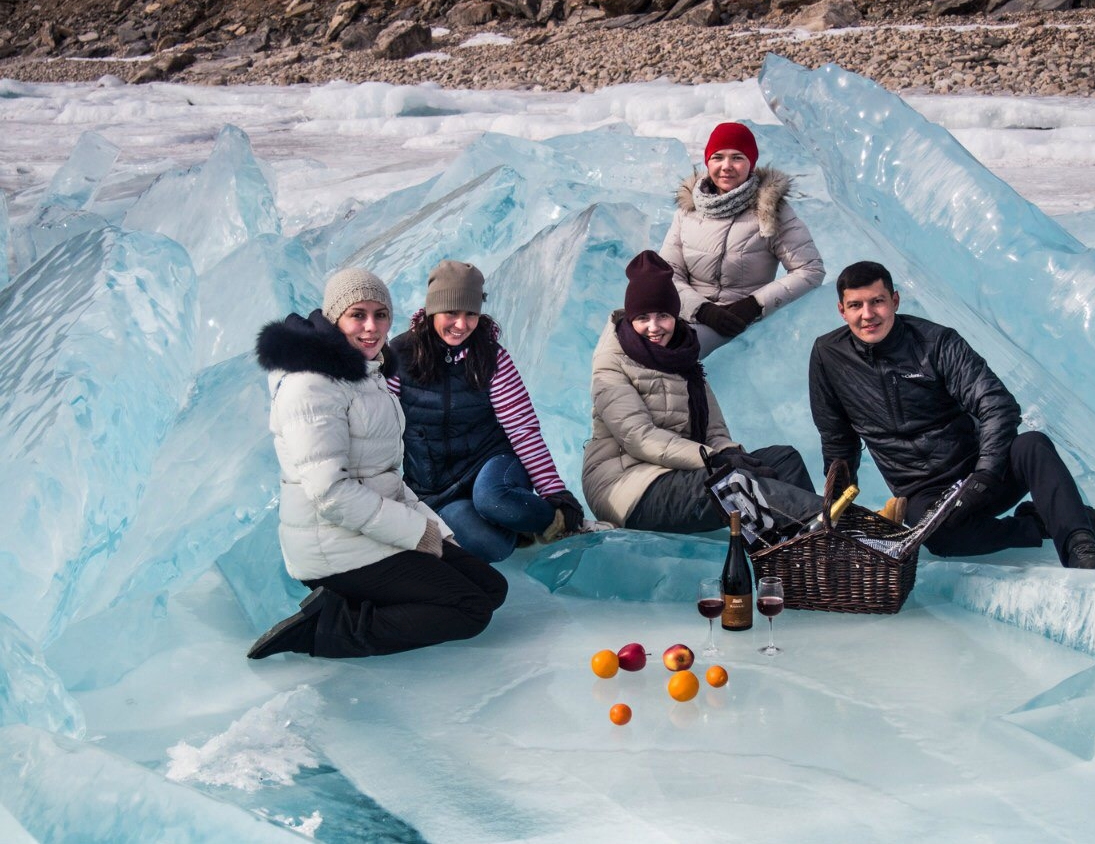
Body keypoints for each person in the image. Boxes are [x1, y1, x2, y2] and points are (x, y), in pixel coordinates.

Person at [248, 267, 508, 659]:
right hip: (333, 545)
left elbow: (385, 476)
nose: (371, 327)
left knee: (491, 589)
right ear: (336, 318)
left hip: (369, 530)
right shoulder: (311, 386)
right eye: (358, 314)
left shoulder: (366, 373)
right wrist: (415, 533)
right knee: (470, 609)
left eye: (380, 314)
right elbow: (331, 493)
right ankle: (328, 630)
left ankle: (348, 603)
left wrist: (436, 531)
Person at [809, 261, 1095, 570]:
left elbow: (997, 404)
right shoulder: (828, 356)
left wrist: (983, 476)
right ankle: (1039, 524)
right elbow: (838, 439)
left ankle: (1081, 547)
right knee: (938, 538)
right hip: (923, 491)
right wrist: (837, 509)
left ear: (895, 301)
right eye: (856, 305)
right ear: (842, 310)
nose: (868, 314)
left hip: (982, 469)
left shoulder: (936, 342)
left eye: (877, 301)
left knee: (1033, 445)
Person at [583, 250, 823, 534]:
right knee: (733, 484)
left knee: (782, 460)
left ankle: (800, 548)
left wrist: (729, 454)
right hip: (628, 486)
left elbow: (715, 433)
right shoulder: (611, 365)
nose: (654, 326)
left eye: (663, 315)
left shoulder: (684, 359)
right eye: (643, 317)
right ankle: (828, 526)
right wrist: (714, 459)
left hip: (684, 472)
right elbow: (639, 438)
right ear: (631, 318)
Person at [388, 260, 608, 564]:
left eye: (471, 314)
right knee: (491, 546)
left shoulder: (490, 357)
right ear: (432, 310)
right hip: (436, 490)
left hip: (492, 466)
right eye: (451, 312)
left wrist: (556, 495)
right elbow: (380, 426)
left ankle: (558, 525)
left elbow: (521, 427)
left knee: (492, 498)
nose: (461, 324)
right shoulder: (400, 355)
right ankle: (515, 527)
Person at [659, 121, 825, 358]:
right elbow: (667, 272)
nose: (726, 166)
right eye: (718, 157)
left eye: (737, 157)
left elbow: (810, 269)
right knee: (620, 336)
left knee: (670, 354)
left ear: (751, 164)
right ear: (708, 162)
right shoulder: (688, 211)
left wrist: (754, 306)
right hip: (688, 313)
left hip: (738, 321)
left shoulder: (771, 210)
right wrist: (701, 309)